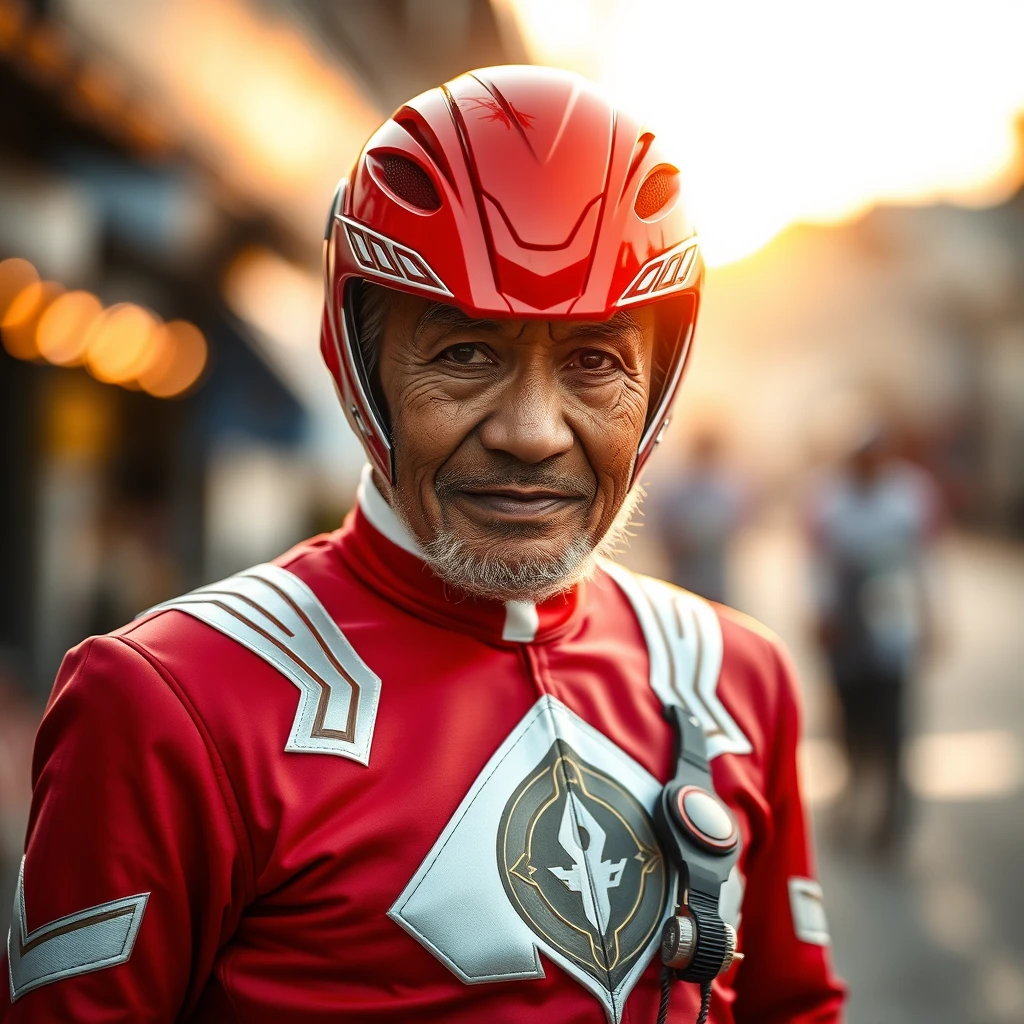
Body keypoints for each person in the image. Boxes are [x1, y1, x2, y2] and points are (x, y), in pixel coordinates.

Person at [2, 67, 844, 1023]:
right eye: (464, 353)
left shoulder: (738, 681)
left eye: (595, 360)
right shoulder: (172, 700)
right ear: (362, 365)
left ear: (657, 384)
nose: (532, 431)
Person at [806, 425, 942, 850]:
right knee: (850, 716)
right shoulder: (827, 498)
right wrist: (821, 612)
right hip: (847, 623)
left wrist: (931, 615)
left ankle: (894, 814)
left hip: (892, 620)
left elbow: (927, 559)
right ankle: (852, 794)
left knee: (893, 719)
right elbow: (815, 561)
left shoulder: (911, 495)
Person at [653, 431, 748, 605]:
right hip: (684, 582)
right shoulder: (679, 492)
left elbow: (736, 532)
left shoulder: (726, 492)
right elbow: (665, 534)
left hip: (714, 584)